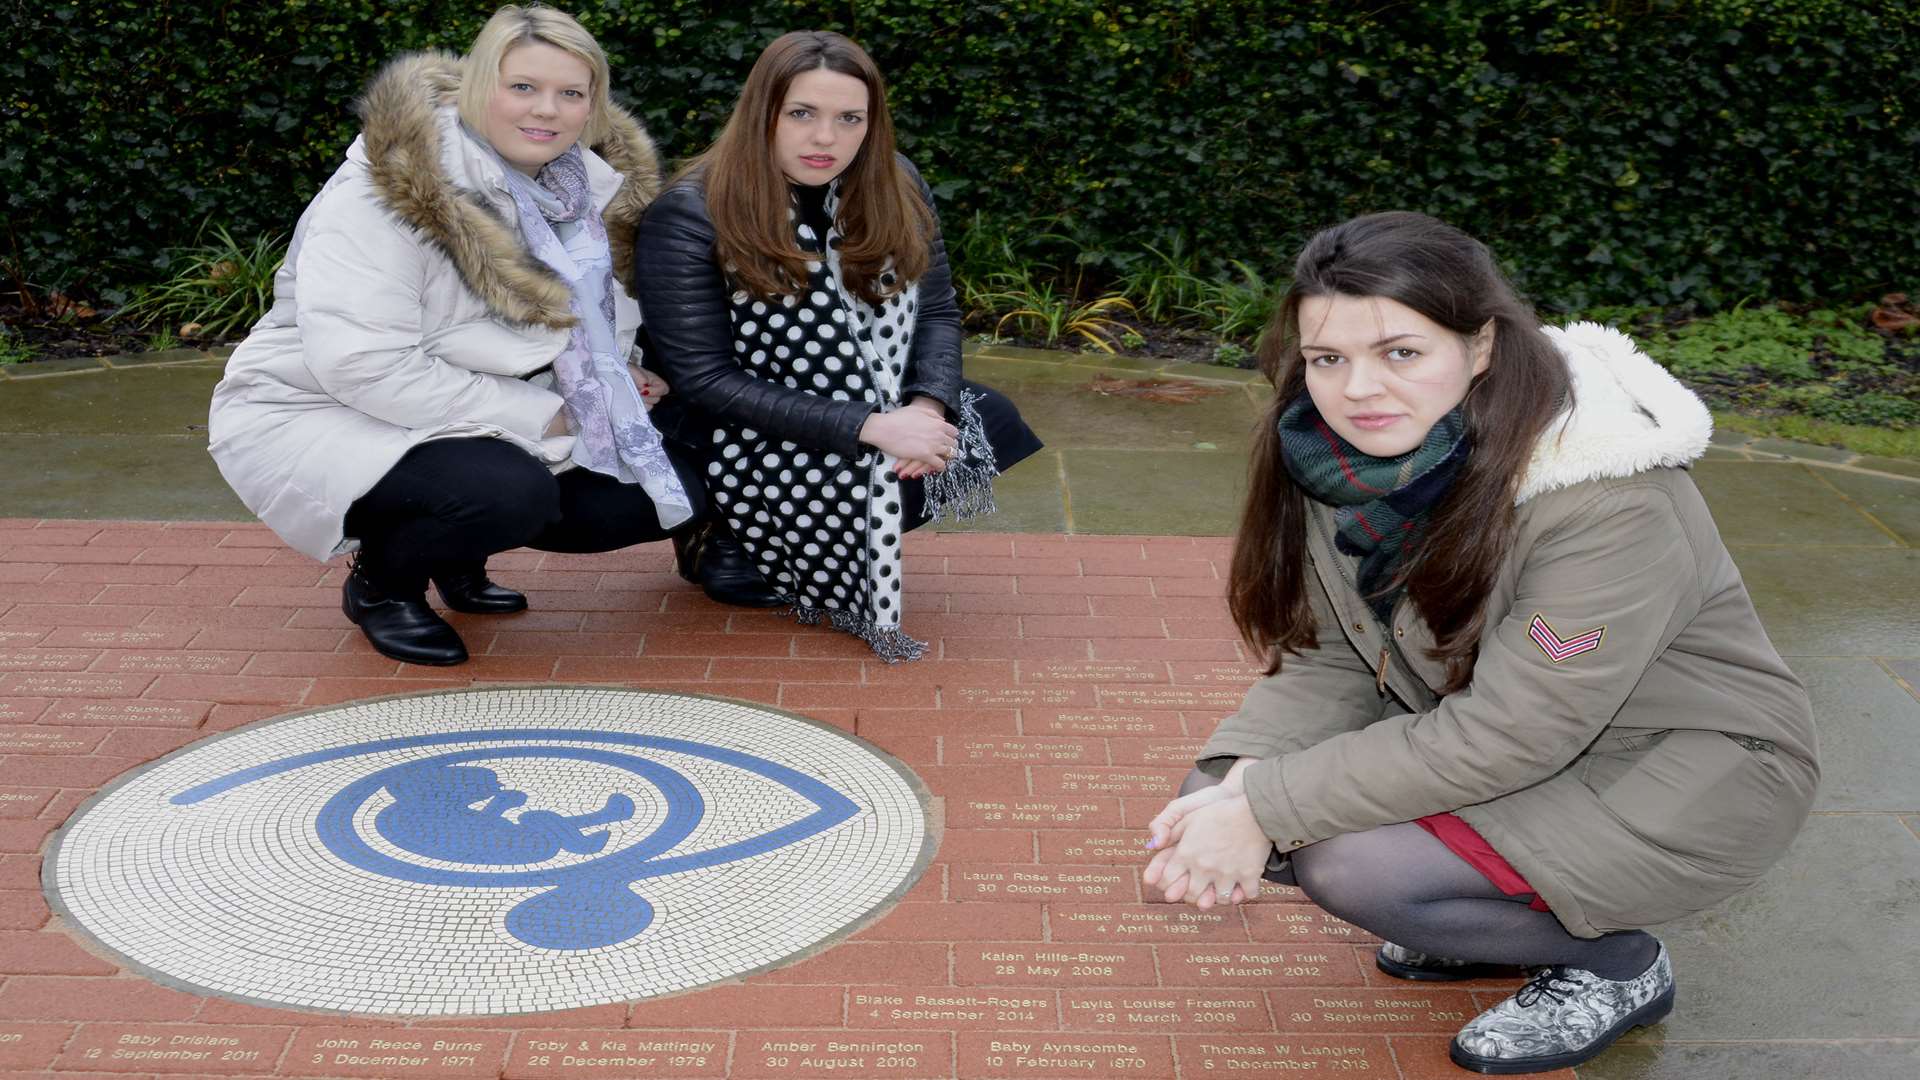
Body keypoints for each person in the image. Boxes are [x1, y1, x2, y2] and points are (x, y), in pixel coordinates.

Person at [1142, 212, 1818, 1075]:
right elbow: (1331, 658)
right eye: (1327, 359)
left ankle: (1616, 964)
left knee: (1353, 869)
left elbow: (1515, 732)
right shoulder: (1347, 463)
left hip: (1689, 768)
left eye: (1401, 352)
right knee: (1212, 799)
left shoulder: (1607, 500)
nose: (1357, 390)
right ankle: (1479, 917)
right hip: (1520, 742)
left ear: (1483, 346)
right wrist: (1236, 785)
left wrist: (1270, 803)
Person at [209, 5, 702, 666]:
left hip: (468, 406)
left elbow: (597, 318)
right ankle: (384, 587)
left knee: (659, 489)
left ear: (593, 107)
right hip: (322, 408)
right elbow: (362, 364)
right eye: (522, 87)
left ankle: (456, 553)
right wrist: (550, 412)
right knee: (504, 493)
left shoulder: (577, 194)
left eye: (570, 93)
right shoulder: (387, 194)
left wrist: (626, 369)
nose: (547, 110)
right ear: (477, 89)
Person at [633, 30, 1042, 660]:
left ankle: (817, 532)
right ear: (762, 113)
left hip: (869, 383)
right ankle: (729, 531)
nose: (826, 139)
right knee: (868, 453)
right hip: (730, 416)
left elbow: (934, 307)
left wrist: (925, 410)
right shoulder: (692, 211)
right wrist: (872, 427)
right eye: (802, 114)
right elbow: (705, 380)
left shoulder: (895, 182)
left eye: (850, 118)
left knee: (987, 421)